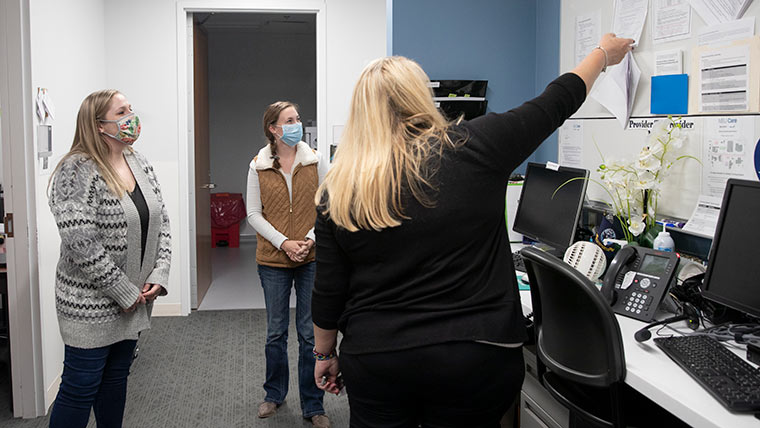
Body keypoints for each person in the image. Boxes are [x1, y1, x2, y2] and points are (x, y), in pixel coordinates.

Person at [311, 33, 634, 427]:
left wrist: (325, 354)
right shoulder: (478, 146)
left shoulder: (339, 188)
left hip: (379, 357)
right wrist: (602, 55)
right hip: (475, 357)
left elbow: (329, 287)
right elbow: (557, 100)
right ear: (420, 98)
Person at [47, 89, 171, 428]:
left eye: (131, 108)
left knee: (116, 380)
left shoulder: (138, 161)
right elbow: (80, 241)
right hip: (88, 304)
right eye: (123, 112)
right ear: (100, 125)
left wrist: (160, 274)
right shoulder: (76, 170)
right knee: (79, 387)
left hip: (136, 299)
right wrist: (123, 291)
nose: (132, 117)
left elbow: (161, 221)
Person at [246, 101, 330, 428]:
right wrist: (284, 243)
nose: (297, 124)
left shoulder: (316, 160)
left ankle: (313, 405)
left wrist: (309, 239)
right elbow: (253, 213)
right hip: (273, 261)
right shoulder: (258, 165)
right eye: (290, 120)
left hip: (311, 257)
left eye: (297, 118)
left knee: (310, 335)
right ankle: (273, 394)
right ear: (273, 128)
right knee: (275, 333)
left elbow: (328, 203)